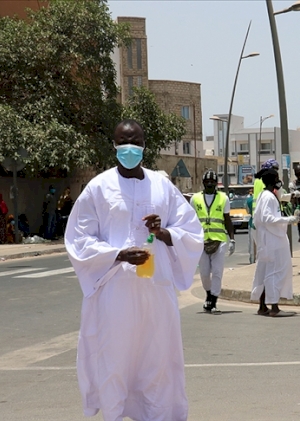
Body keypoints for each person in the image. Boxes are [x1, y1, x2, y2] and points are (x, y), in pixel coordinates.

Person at [64, 119, 205, 421]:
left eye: (135, 142)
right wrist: (118, 254)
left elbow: (190, 230)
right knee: (115, 357)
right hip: (115, 291)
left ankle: (158, 415)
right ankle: (114, 414)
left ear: (144, 144)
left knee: (158, 358)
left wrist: (164, 232)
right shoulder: (98, 188)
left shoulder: (162, 185)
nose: (129, 148)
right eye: (123, 143)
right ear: (113, 146)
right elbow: (78, 238)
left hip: (156, 288)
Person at [251, 168, 298, 317]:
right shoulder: (269, 197)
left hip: (268, 240)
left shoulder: (265, 196)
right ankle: (275, 308)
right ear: (273, 181)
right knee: (275, 272)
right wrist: (289, 220)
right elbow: (267, 218)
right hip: (272, 241)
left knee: (266, 273)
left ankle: (263, 306)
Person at [191, 170, 236, 314]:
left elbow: (227, 220)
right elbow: (190, 221)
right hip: (201, 241)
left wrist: (232, 239)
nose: (209, 184)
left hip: (219, 240)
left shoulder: (223, 198)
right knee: (204, 273)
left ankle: (214, 301)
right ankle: (209, 293)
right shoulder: (195, 198)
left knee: (217, 272)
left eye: (212, 182)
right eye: (207, 182)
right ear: (203, 183)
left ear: (216, 184)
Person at [250, 159, 280, 264]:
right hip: (262, 221)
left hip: (258, 219)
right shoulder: (263, 182)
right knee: (265, 251)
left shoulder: (258, 181)